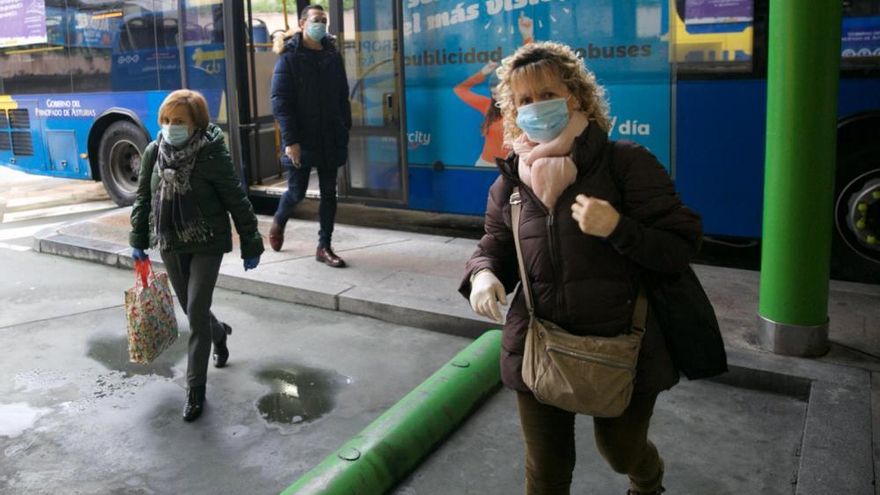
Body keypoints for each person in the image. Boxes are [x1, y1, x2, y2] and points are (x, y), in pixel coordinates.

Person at [459, 42, 703, 495]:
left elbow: (679, 245)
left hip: (623, 348)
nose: (535, 107)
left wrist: (617, 228)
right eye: (523, 100)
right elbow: (494, 245)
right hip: (539, 344)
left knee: (621, 453)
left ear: (574, 95)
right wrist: (483, 274)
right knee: (546, 472)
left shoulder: (626, 164)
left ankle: (647, 482)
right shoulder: (510, 182)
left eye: (546, 93)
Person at [129, 89, 264, 422]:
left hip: (207, 241)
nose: (169, 127)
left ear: (196, 125)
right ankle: (219, 334)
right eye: (165, 120)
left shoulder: (212, 154)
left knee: (196, 310)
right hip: (171, 242)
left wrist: (251, 241)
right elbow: (143, 198)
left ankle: (195, 391)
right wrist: (138, 239)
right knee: (194, 309)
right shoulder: (153, 152)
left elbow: (236, 198)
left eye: (178, 121)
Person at [269, 4, 352, 268]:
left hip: (330, 136)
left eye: (324, 20)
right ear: (303, 23)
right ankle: (279, 220)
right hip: (302, 139)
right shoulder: (289, 58)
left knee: (329, 193)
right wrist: (291, 141)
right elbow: (281, 102)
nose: (322, 25)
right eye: (317, 19)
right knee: (297, 192)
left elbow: (342, 95)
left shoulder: (332, 55)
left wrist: (344, 126)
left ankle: (324, 246)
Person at [453, 12, 534, 167]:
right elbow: (460, 90)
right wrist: (483, 73)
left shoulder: (522, 106)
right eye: (493, 93)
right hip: (484, 164)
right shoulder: (487, 106)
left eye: (499, 92)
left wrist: (527, 36)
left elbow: (530, 68)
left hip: (513, 167)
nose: (496, 97)